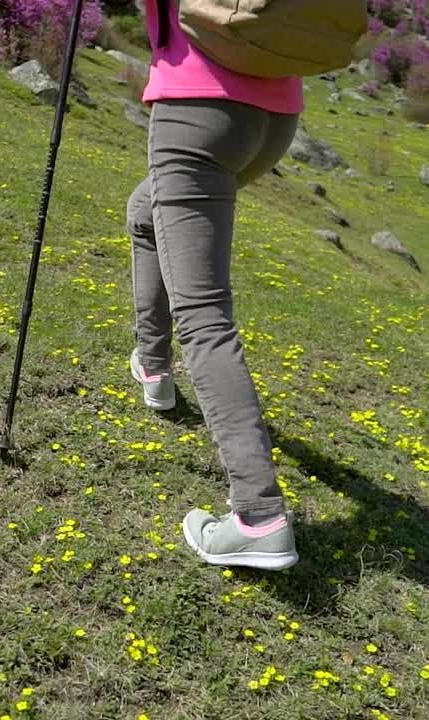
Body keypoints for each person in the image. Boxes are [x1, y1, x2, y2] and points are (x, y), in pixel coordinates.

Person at [126, 0, 302, 571]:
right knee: (145, 209)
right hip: (275, 114)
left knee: (203, 315)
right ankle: (153, 365)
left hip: (198, 104)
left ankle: (259, 516)